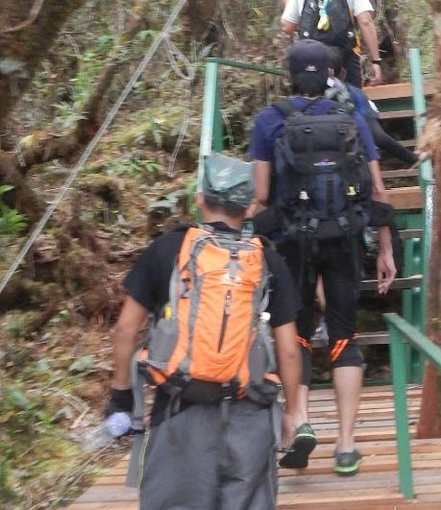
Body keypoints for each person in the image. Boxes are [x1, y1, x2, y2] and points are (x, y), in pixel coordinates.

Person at [106, 154, 306, 510]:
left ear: (199, 198)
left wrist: (122, 397)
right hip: (250, 414)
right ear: (248, 208)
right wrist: (292, 412)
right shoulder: (267, 261)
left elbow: (125, 330)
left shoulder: (167, 249)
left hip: (180, 410)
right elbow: (289, 350)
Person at [248, 40, 397, 477]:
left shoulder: (270, 119)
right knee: (344, 334)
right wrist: (385, 247)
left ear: (289, 76)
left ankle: (299, 423)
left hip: (292, 242)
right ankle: (347, 446)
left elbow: (259, 195)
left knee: (293, 332)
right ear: (331, 74)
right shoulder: (351, 116)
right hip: (345, 237)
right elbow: (377, 190)